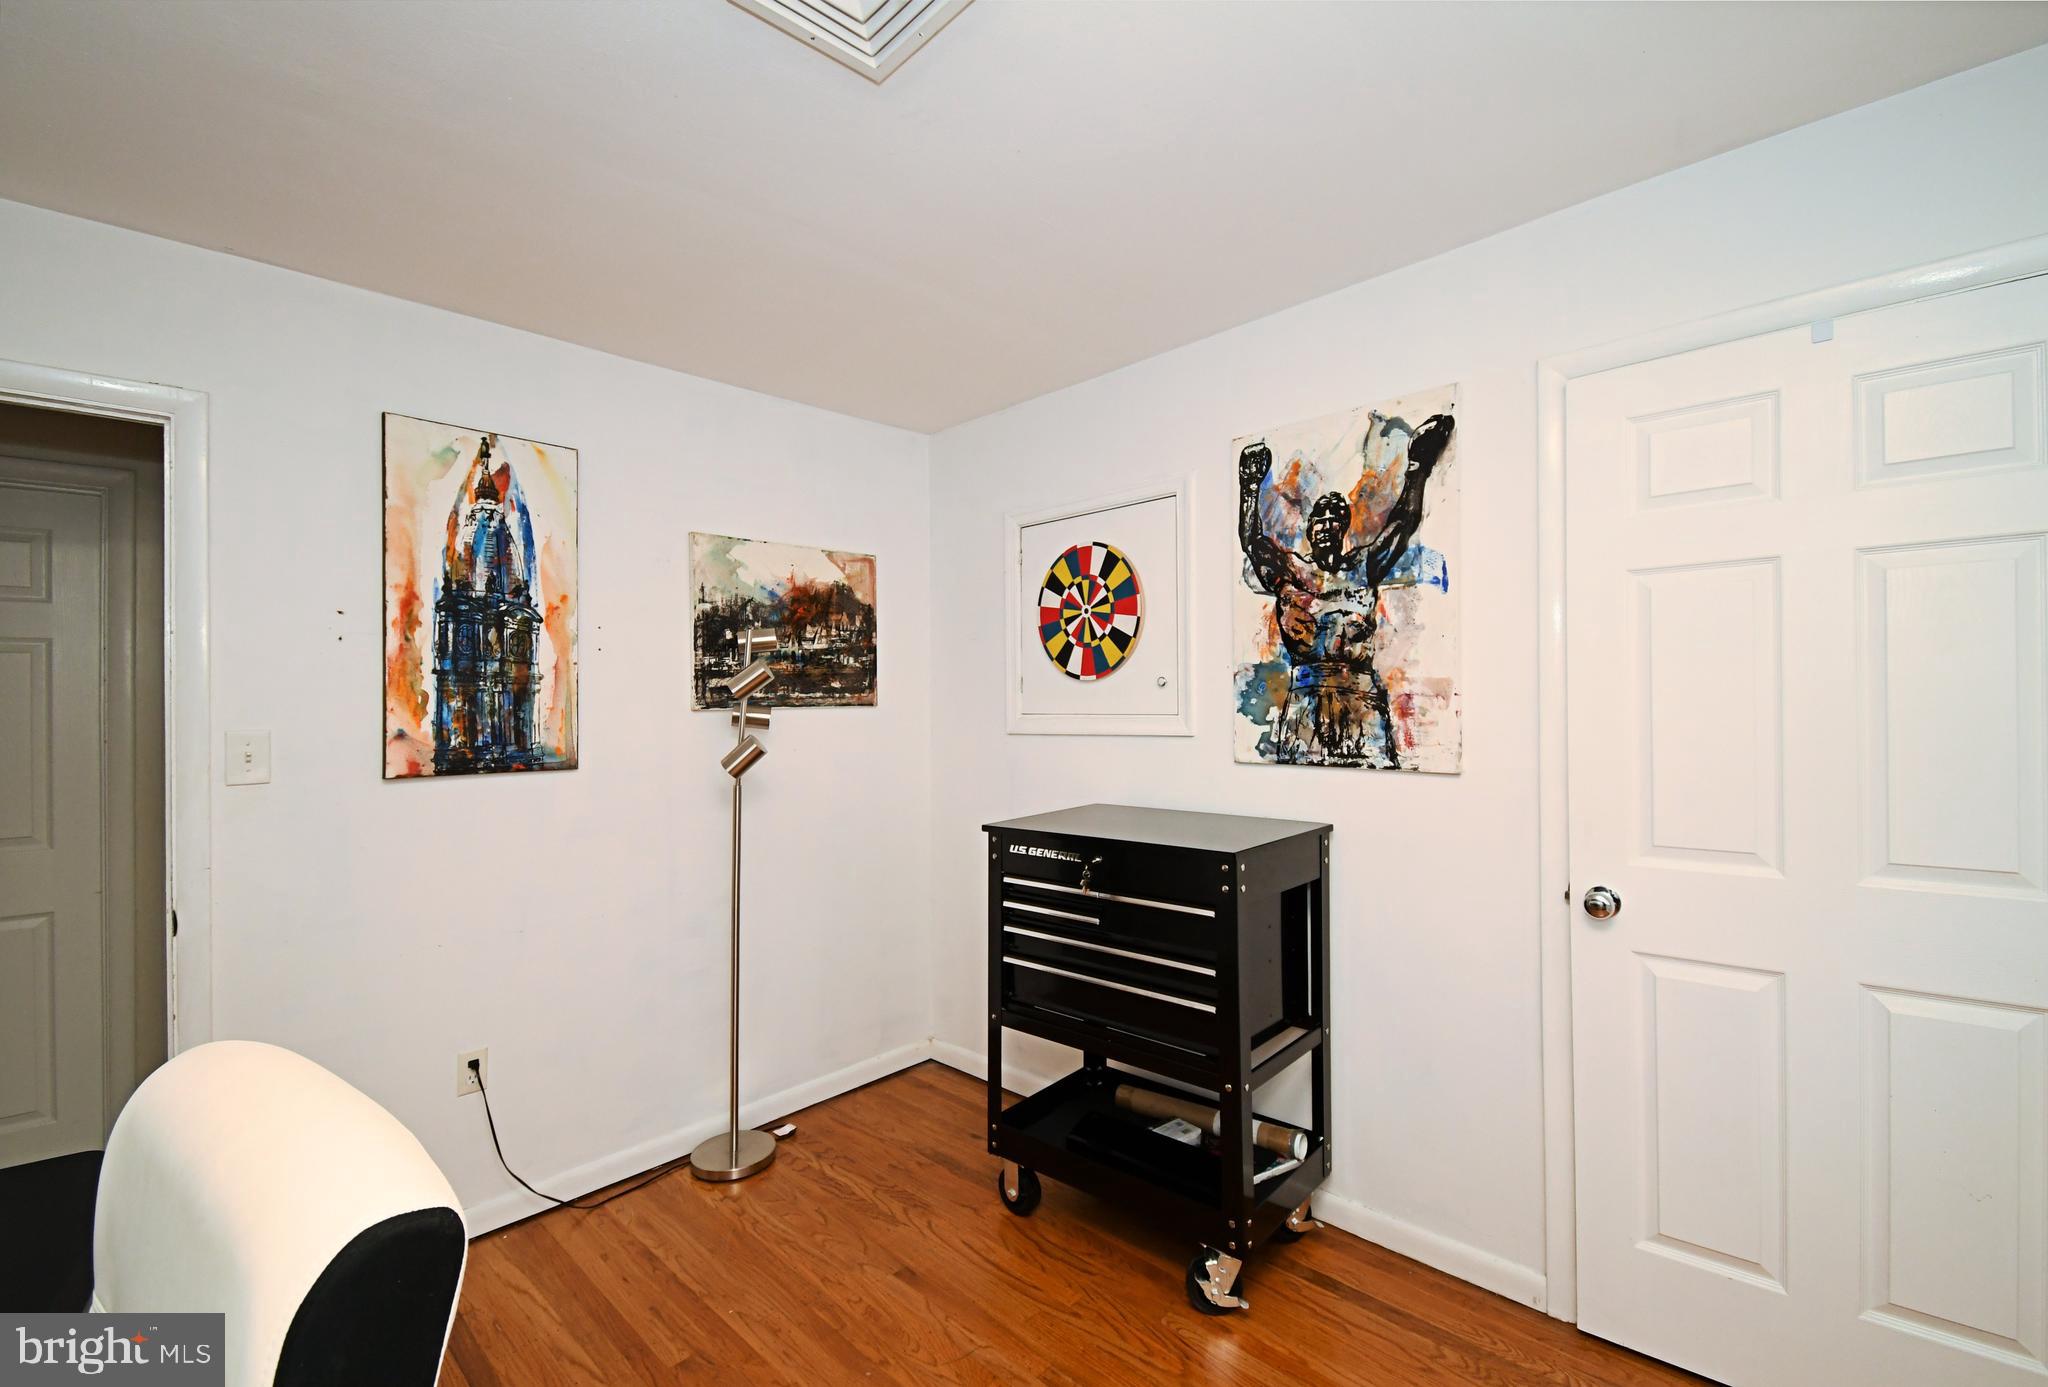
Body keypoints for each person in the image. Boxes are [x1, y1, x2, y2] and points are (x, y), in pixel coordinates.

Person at [1238, 411, 1455, 766]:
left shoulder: (1363, 567)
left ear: (1343, 529)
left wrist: (1420, 465)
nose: (1324, 527)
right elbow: (1252, 541)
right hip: (1306, 704)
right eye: (1318, 521)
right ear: (1309, 531)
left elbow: (1402, 524)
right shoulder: (1291, 573)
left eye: (1333, 520)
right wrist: (1249, 486)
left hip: (1361, 702)